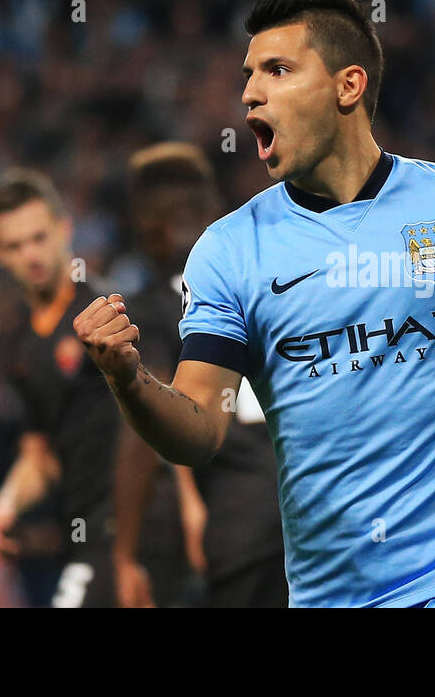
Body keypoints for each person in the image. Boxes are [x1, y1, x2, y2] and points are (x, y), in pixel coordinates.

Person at [75, 0, 435, 607]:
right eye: (249, 75)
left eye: (278, 69)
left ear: (348, 86)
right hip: (334, 594)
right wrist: (130, 380)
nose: (249, 93)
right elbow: (202, 430)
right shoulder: (230, 251)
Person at [0, 169, 186, 607]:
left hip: (136, 525)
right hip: (86, 529)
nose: (31, 254)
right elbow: (40, 454)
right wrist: (5, 505)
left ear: (64, 229)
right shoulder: (19, 343)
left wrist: (187, 510)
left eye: (38, 237)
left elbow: (163, 414)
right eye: (14, 245)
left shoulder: (107, 315)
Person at [113, 142, 287, 607]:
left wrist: (126, 552)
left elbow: (162, 414)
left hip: (237, 518)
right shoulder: (267, 276)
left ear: (149, 228)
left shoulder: (151, 308)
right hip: (312, 500)